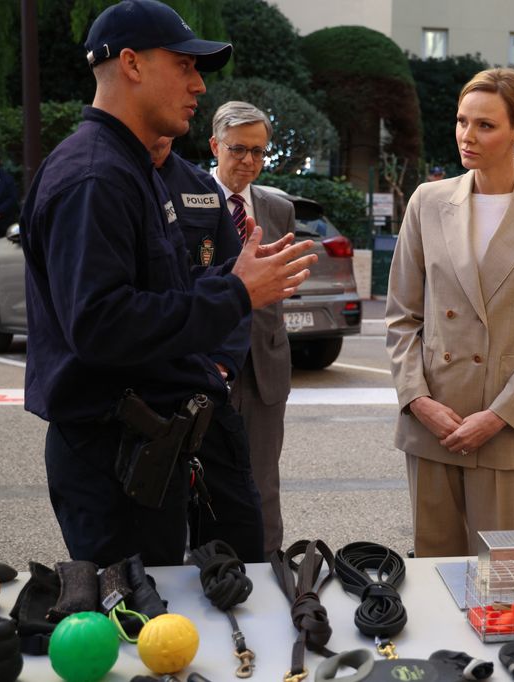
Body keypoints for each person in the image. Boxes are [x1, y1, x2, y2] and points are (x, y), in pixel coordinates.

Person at [20, 0, 317, 567]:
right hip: (115, 460)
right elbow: (103, 324)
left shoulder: (129, 169)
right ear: (131, 64)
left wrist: (229, 283)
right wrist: (235, 291)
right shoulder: (95, 177)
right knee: (139, 630)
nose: (199, 85)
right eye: (185, 66)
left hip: (146, 449)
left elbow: (158, 293)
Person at [386, 68, 514, 557]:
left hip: (503, 429)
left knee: (500, 582)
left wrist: (498, 417)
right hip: (434, 422)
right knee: (434, 573)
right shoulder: (428, 202)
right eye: (461, 121)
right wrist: (417, 400)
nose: (467, 137)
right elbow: (401, 316)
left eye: (485, 125)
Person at [149, 135, 265, 562]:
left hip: (202, 386)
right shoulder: (107, 179)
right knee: (153, 548)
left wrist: (222, 364)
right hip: (144, 397)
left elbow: (236, 285)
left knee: (238, 531)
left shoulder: (200, 188)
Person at [208, 100, 296, 559]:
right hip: (207, 366)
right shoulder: (188, 200)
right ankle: (209, 571)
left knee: (263, 482)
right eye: (238, 149)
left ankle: (266, 569)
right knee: (203, 482)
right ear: (214, 146)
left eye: (259, 152)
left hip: (265, 367)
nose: (248, 161)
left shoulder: (278, 208)